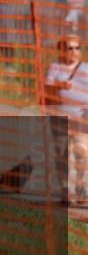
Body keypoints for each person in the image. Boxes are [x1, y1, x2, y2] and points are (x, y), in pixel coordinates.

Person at [44, 34, 88, 204]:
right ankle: (65, 191)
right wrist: (59, 85)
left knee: (82, 154)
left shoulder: (85, 68)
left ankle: (81, 189)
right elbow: (47, 90)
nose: (74, 51)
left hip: (81, 118)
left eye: (77, 48)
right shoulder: (55, 68)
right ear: (62, 50)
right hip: (60, 117)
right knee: (62, 154)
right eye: (70, 48)